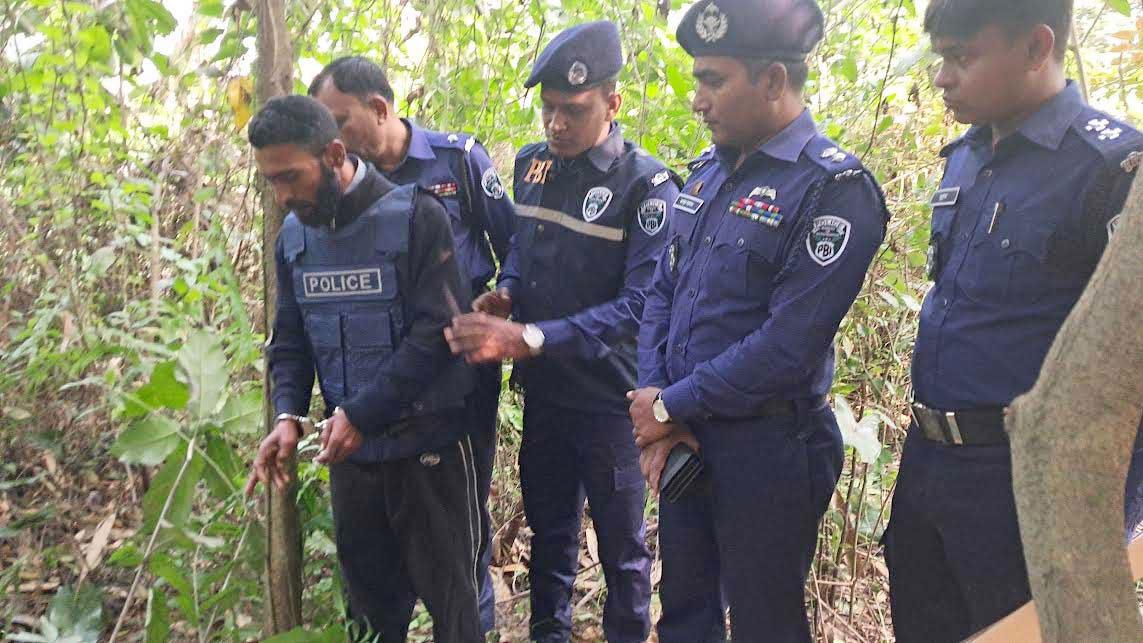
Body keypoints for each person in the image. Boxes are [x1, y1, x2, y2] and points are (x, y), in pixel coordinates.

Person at [628, 1, 889, 640]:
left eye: (713, 81)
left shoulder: (834, 189)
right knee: (686, 611)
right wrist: (655, 403)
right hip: (685, 435)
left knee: (764, 620)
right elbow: (661, 293)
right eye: (698, 81)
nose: (698, 100)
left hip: (769, 448)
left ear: (773, 81)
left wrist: (669, 406)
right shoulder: (706, 175)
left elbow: (787, 345)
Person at [884, 1, 1143, 640]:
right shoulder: (964, 157)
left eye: (962, 56)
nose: (943, 77)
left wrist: (1120, 518)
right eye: (942, 56)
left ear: (1036, 47)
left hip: (1026, 485)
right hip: (931, 463)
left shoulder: (1112, 171)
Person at [445, 20, 681, 643]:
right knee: (549, 541)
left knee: (624, 555)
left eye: (572, 110)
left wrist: (532, 336)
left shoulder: (648, 188)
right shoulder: (532, 167)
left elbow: (639, 306)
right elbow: (523, 251)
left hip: (610, 405)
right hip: (546, 400)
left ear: (612, 103)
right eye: (548, 109)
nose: (556, 124)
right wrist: (509, 293)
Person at [243, 95, 483, 642]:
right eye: (270, 182)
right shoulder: (293, 237)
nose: (282, 195)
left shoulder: (419, 217)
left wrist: (361, 413)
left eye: (291, 177)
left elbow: (437, 335)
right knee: (371, 617)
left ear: (332, 154)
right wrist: (287, 416)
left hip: (430, 450)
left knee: (454, 609)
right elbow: (292, 340)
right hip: (353, 460)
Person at [308, 56, 515, 631]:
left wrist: (503, 297)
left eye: (341, 121)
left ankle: (474, 619)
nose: (333, 139)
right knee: (378, 519)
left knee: (462, 506)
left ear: (379, 109)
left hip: (457, 371)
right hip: (378, 380)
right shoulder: (339, 185)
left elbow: (513, 242)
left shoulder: (457, 159)